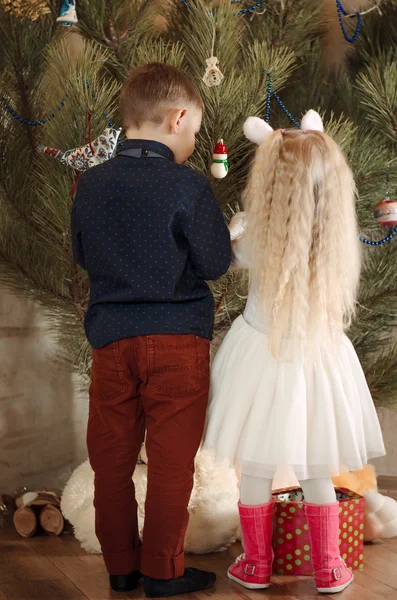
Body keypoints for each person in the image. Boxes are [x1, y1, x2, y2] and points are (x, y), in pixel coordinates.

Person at [203, 110, 385, 595]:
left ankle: (256, 564)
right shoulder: (339, 246)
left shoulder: (253, 237)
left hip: (258, 360)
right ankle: (328, 567)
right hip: (320, 364)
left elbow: (226, 253)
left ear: (272, 183)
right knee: (315, 465)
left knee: (256, 468)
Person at [71, 63, 231, 597]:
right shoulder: (187, 185)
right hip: (178, 340)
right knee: (170, 462)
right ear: (178, 118)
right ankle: (164, 570)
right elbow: (212, 262)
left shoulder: (90, 184)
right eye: (193, 133)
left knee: (111, 459)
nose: (192, 143)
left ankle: (121, 566)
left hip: (112, 341)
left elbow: (80, 254)